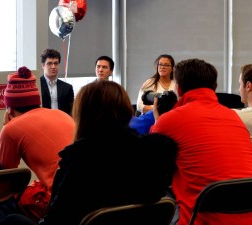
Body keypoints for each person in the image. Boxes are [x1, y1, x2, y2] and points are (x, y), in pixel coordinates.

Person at [150, 58, 252, 225]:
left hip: (203, 219)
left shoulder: (169, 120)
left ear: (178, 88)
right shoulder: (235, 119)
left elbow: (150, 168)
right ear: (214, 87)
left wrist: (159, 121)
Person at [40, 81, 177, 225]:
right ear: (125, 109)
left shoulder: (79, 160)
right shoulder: (153, 156)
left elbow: (56, 219)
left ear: (83, 114)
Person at [0, 66, 75, 222]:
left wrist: (5, 128)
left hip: (59, 204)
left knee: (9, 206)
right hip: (90, 194)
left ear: (9, 108)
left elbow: (5, 178)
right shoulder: (61, 114)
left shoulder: (11, 129)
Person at [39, 49, 74, 115]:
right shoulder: (37, 85)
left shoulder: (67, 88)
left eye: (56, 63)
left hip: (62, 122)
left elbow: (71, 111)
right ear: (43, 65)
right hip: (42, 122)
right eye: (49, 63)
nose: (53, 67)